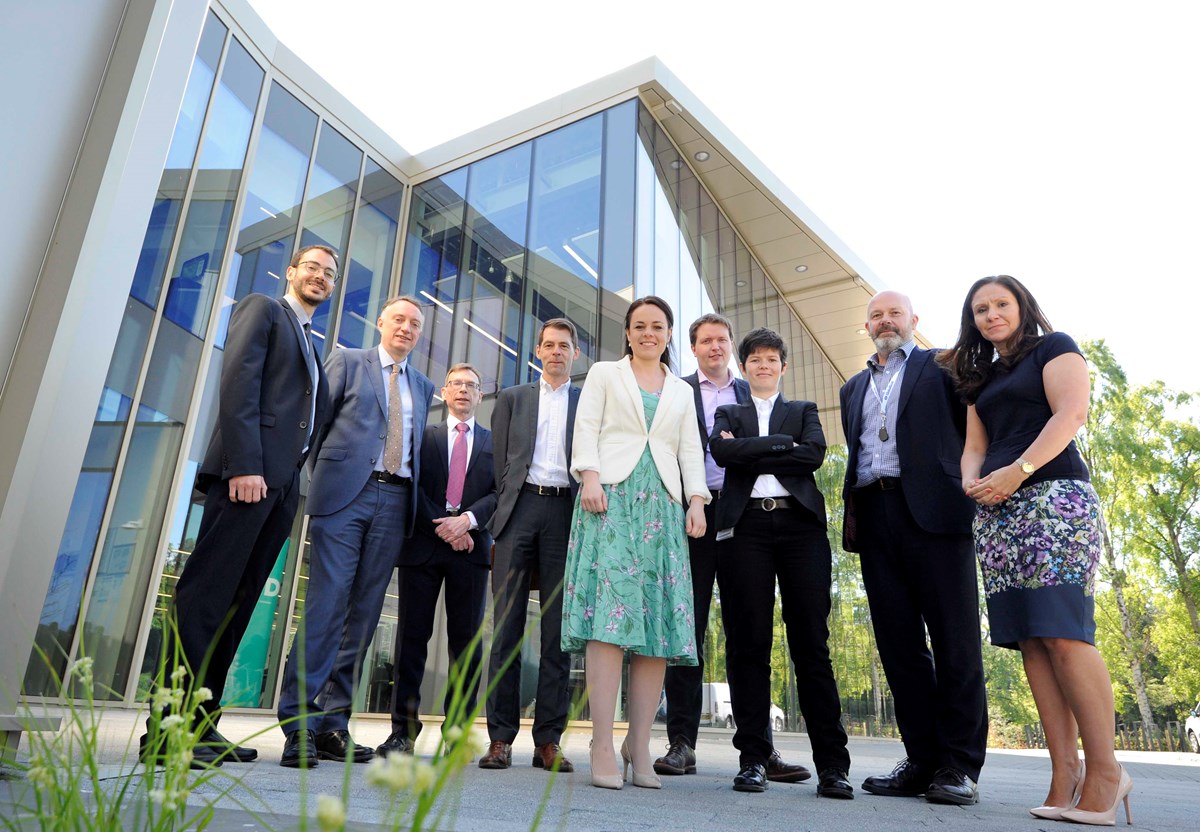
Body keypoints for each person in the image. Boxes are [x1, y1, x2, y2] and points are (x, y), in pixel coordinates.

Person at [940, 275, 1131, 826]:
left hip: (1054, 499)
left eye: (1001, 304)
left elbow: (1070, 415)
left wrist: (1018, 472)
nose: (991, 314)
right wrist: (972, 484)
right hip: (998, 510)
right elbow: (974, 447)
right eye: (980, 309)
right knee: (1031, 643)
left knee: (1064, 634)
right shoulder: (980, 378)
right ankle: (1064, 774)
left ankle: (1106, 772)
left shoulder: (1054, 347)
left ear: (1022, 306)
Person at [143, 244, 336, 766]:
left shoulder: (310, 342)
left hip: (280, 489)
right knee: (204, 601)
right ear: (291, 273)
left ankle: (202, 726)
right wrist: (244, 465)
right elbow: (238, 384)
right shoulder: (263, 308)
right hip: (247, 479)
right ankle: (165, 731)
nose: (320, 276)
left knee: (237, 607)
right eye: (311, 267)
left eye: (329, 273)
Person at [839, 290, 988, 806]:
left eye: (894, 313)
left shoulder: (944, 366)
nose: (885, 321)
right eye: (876, 315)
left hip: (937, 514)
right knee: (899, 647)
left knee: (955, 643)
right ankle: (922, 759)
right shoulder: (852, 386)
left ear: (913, 321)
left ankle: (959, 766)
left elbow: (974, 433)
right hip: (877, 518)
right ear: (866, 326)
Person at [276, 295, 434, 768]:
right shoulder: (348, 361)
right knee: (326, 608)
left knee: (362, 619)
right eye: (399, 320)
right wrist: (316, 478)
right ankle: (298, 727)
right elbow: (317, 426)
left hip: (396, 501)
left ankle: (333, 725)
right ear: (381, 323)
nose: (406, 328)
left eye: (415, 324)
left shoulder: (423, 386)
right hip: (346, 495)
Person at [654, 314, 809, 785]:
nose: (715, 347)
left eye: (722, 340)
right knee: (687, 627)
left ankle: (759, 749)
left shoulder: (753, 391)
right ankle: (681, 742)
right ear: (694, 348)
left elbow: (781, 450)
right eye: (706, 341)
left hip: (748, 517)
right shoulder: (675, 390)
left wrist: (747, 449)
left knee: (749, 633)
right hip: (691, 517)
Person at [563, 295, 709, 790]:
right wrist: (590, 476)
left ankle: (639, 743)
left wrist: (696, 500)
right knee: (609, 620)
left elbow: (690, 447)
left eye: (658, 326)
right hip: (611, 501)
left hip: (663, 509)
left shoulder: (682, 392)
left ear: (670, 335)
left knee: (657, 627)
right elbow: (586, 428)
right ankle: (601, 742)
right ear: (627, 333)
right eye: (639, 325)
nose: (649, 333)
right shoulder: (605, 374)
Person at [708, 327, 853, 798]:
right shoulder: (728, 411)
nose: (764, 366)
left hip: (800, 531)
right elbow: (723, 451)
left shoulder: (804, 411)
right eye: (755, 361)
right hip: (743, 530)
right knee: (748, 643)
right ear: (744, 369)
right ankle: (753, 759)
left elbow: (813, 455)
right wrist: (780, 448)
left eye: (772, 360)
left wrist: (755, 450)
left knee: (811, 643)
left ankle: (833, 766)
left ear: (782, 367)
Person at [478, 319, 582, 774]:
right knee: (506, 630)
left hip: (567, 514)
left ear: (575, 354)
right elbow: (500, 462)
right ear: (538, 351)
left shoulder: (586, 401)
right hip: (518, 513)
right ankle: (499, 738)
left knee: (558, 633)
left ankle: (548, 741)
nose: (556, 352)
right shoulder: (514, 398)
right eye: (549, 345)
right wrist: (507, 507)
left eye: (564, 346)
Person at [377, 363, 496, 756]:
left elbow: (500, 493)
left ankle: (456, 731)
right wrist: (445, 527)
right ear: (444, 393)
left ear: (480, 396)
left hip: (471, 551)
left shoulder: (496, 443)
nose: (463, 390)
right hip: (423, 549)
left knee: (466, 645)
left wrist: (467, 522)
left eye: (471, 385)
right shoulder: (422, 437)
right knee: (412, 639)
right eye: (456, 384)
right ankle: (402, 733)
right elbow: (411, 487)